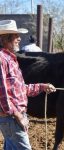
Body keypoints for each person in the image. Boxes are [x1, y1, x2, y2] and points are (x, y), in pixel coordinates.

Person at [0, 20, 56, 150]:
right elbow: (2, 94)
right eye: (15, 36)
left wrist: (42, 86)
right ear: (4, 39)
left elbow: (20, 88)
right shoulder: (2, 59)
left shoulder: (10, 58)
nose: (19, 39)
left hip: (12, 118)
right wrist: (18, 116)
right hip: (11, 118)